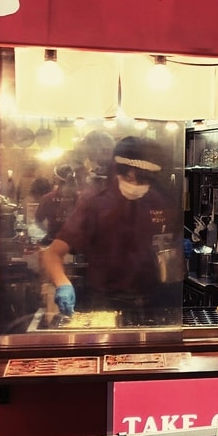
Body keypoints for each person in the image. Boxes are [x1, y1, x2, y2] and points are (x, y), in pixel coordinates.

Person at [40, 136, 181, 325]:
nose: (135, 185)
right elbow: (53, 254)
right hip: (105, 302)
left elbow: (170, 244)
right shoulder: (95, 203)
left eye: (142, 180)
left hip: (154, 301)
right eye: (129, 178)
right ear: (117, 171)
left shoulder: (160, 201)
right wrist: (63, 283)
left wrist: (179, 248)